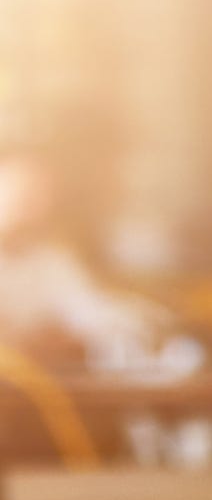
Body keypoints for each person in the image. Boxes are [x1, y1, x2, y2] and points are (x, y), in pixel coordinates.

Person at [0, 146, 163, 362]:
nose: (37, 204)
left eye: (42, 193)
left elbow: (95, 315)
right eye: (25, 191)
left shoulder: (50, 260)